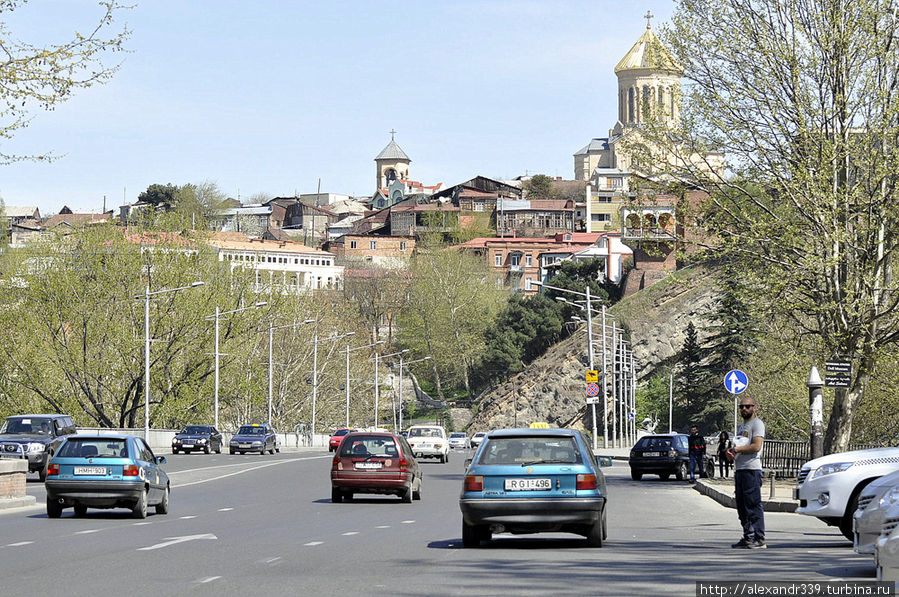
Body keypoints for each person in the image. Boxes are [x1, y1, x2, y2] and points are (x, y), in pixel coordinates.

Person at [726, 396, 766, 549]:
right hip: (740, 469)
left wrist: (737, 449)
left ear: (754, 407)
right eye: (742, 406)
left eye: (748, 406)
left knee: (753, 504)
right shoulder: (742, 426)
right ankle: (748, 536)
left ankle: (759, 538)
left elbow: (756, 446)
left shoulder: (757, 424)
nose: (744, 409)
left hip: (751, 469)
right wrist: (731, 453)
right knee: (742, 506)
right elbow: (739, 446)